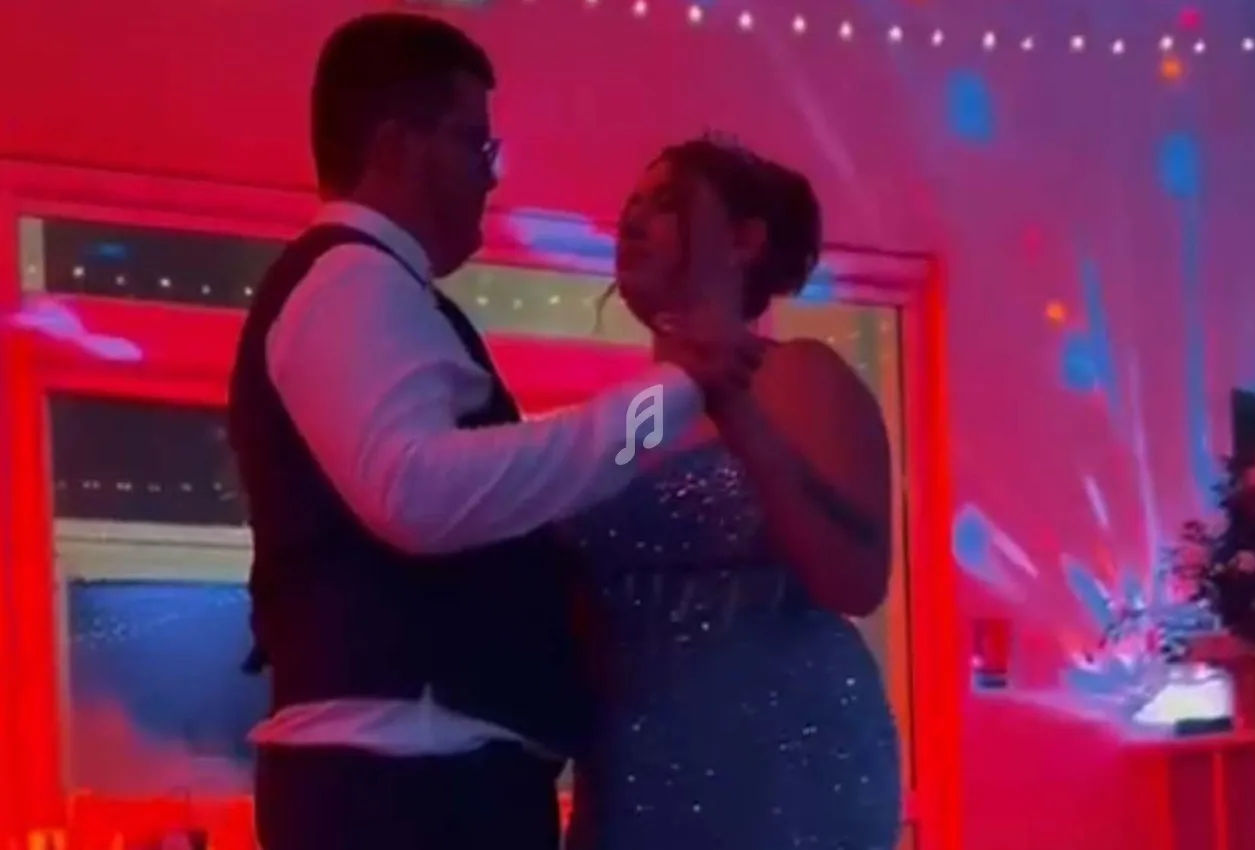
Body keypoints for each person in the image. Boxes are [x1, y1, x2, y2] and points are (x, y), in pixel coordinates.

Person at [226, 13, 764, 850]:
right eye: (474, 144)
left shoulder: (376, 287)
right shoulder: (349, 279)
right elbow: (417, 492)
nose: (489, 175)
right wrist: (667, 400)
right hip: (405, 782)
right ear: (395, 146)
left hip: (418, 776)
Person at [564, 139, 902, 850]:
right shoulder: (635, 419)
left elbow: (856, 577)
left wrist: (736, 411)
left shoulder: (798, 375)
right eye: (630, 207)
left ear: (744, 240)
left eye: (666, 203)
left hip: (784, 757)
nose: (634, 221)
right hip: (635, 769)